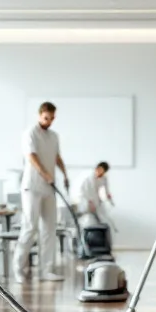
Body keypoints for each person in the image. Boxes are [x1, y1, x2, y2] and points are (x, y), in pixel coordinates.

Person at [14, 101, 69, 283]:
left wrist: (65, 174)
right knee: (30, 227)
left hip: (49, 188)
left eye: (52, 118)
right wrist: (45, 174)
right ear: (40, 115)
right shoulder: (30, 133)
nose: (49, 121)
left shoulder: (54, 136)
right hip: (32, 187)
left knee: (49, 229)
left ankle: (47, 270)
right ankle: (19, 270)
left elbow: (57, 157)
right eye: (46, 118)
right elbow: (31, 156)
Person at [77, 161, 115, 228]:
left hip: (96, 198)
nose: (100, 172)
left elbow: (106, 190)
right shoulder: (89, 176)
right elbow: (86, 190)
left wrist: (108, 197)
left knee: (100, 216)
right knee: (87, 216)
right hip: (86, 199)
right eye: (99, 170)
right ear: (97, 168)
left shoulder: (104, 178)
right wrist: (90, 202)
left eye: (103, 171)